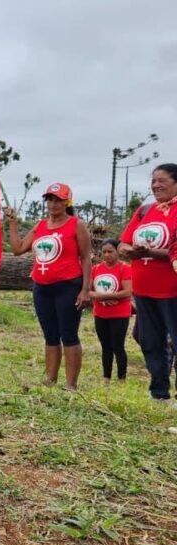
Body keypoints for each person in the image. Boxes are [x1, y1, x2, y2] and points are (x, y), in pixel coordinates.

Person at [5, 183, 92, 391]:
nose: (53, 204)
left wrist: (85, 289)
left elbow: (86, 258)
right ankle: (50, 379)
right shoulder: (40, 226)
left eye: (59, 200)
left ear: (67, 202)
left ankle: (71, 384)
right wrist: (13, 223)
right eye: (50, 200)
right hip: (42, 287)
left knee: (69, 335)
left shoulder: (76, 225)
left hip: (68, 286)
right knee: (50, 335)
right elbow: (18, 249)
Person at [119, 164, 177, 402]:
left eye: (162, 180)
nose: (156, 185)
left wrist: (154, 253)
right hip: (144, 291)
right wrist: (131, 250)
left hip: (172, 290)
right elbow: (123, 243)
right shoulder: (144, 211)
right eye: (153, 181)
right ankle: (159, 392)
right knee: (150, 341)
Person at [90, 239, 132, 381]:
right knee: (105, 347)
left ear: (117, 252)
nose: (107, 255)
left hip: (119, 314)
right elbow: (88, 290)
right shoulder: (95, 269)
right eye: (104, 252)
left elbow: (128, 292)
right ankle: (106, 377)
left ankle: (121, 378)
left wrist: (104, 296)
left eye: (110, 252)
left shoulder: (124, 268)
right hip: (100, 313)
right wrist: (100, 297)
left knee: (118, 346)